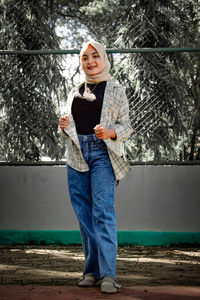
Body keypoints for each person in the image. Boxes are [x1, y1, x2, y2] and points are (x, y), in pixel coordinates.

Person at [59, 41, 133, 294]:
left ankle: (108, 275)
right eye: (84, 57)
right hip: (76, 154)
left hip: (103, 154)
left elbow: (126, 126)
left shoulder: (115, 89)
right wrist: (63, 126)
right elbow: (69, 130)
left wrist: (109, 131)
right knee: (84, 216)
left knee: (103, 213)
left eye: (94, 56)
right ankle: (91, 270)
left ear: (103, 58)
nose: (90, 61)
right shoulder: (74, 91)